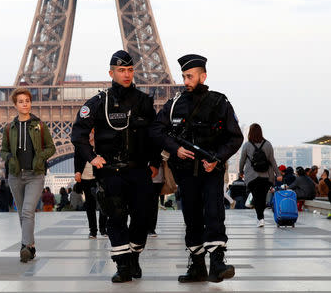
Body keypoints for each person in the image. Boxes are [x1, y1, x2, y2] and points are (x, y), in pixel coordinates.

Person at [149, 54, 243, 283]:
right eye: (184, 76)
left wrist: (217, 159)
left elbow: (235, 137)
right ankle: (198, 265)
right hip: (185, 172)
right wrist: (176, 149)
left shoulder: (220, 103)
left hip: (211, 170)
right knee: (191, 217)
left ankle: (217, 263)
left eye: (190, 76)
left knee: (214, 213)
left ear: (203, 76)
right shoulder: (173, 106)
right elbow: (156, 131)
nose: (186, 81)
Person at [72, 50, 159, 283]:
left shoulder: (144, 102)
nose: (126, 74)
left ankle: (134, 255)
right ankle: (122, 264)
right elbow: (78, 133)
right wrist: (92, 157)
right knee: (116, 217)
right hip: (111, 171)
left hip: (139, 169)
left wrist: (156, 163)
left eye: (130, 70)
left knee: (142, 219)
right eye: (121, 70)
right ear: (111, 73)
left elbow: (155, 135)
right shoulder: (99, 103)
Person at [0, 87, 55, 263]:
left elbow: (51, 147)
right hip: (16, 175)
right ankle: (30, 246)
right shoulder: (9, 128)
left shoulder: (40, 125)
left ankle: (24, 246)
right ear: (15, 105)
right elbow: (3, 150)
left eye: (27, 101)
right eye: (21, 101)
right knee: (23, 214)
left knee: (27, 211)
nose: (25, 104)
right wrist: (9, 158)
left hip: (35, 175)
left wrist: (40, 158)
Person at [239, 123, 281, 227]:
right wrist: (278, 174)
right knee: (261, 198)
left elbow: (242, 160)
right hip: (266, 176)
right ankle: (260, 217)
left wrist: (240, 171)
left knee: (257, 197)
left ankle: (260, 218)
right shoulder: (268, 144)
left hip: (252, 176)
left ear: (250, 133)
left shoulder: (247, 145)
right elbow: (272, 160)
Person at [74, 129, 107, 238]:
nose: (89, 134)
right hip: (85, 178)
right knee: (90, 206)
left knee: (103, 204)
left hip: (99, 178)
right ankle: (93, 231)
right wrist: (77, 172)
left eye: (91, 132)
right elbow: (77, 159)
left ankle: (103, 229)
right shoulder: (81, 145)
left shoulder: (102, 145)